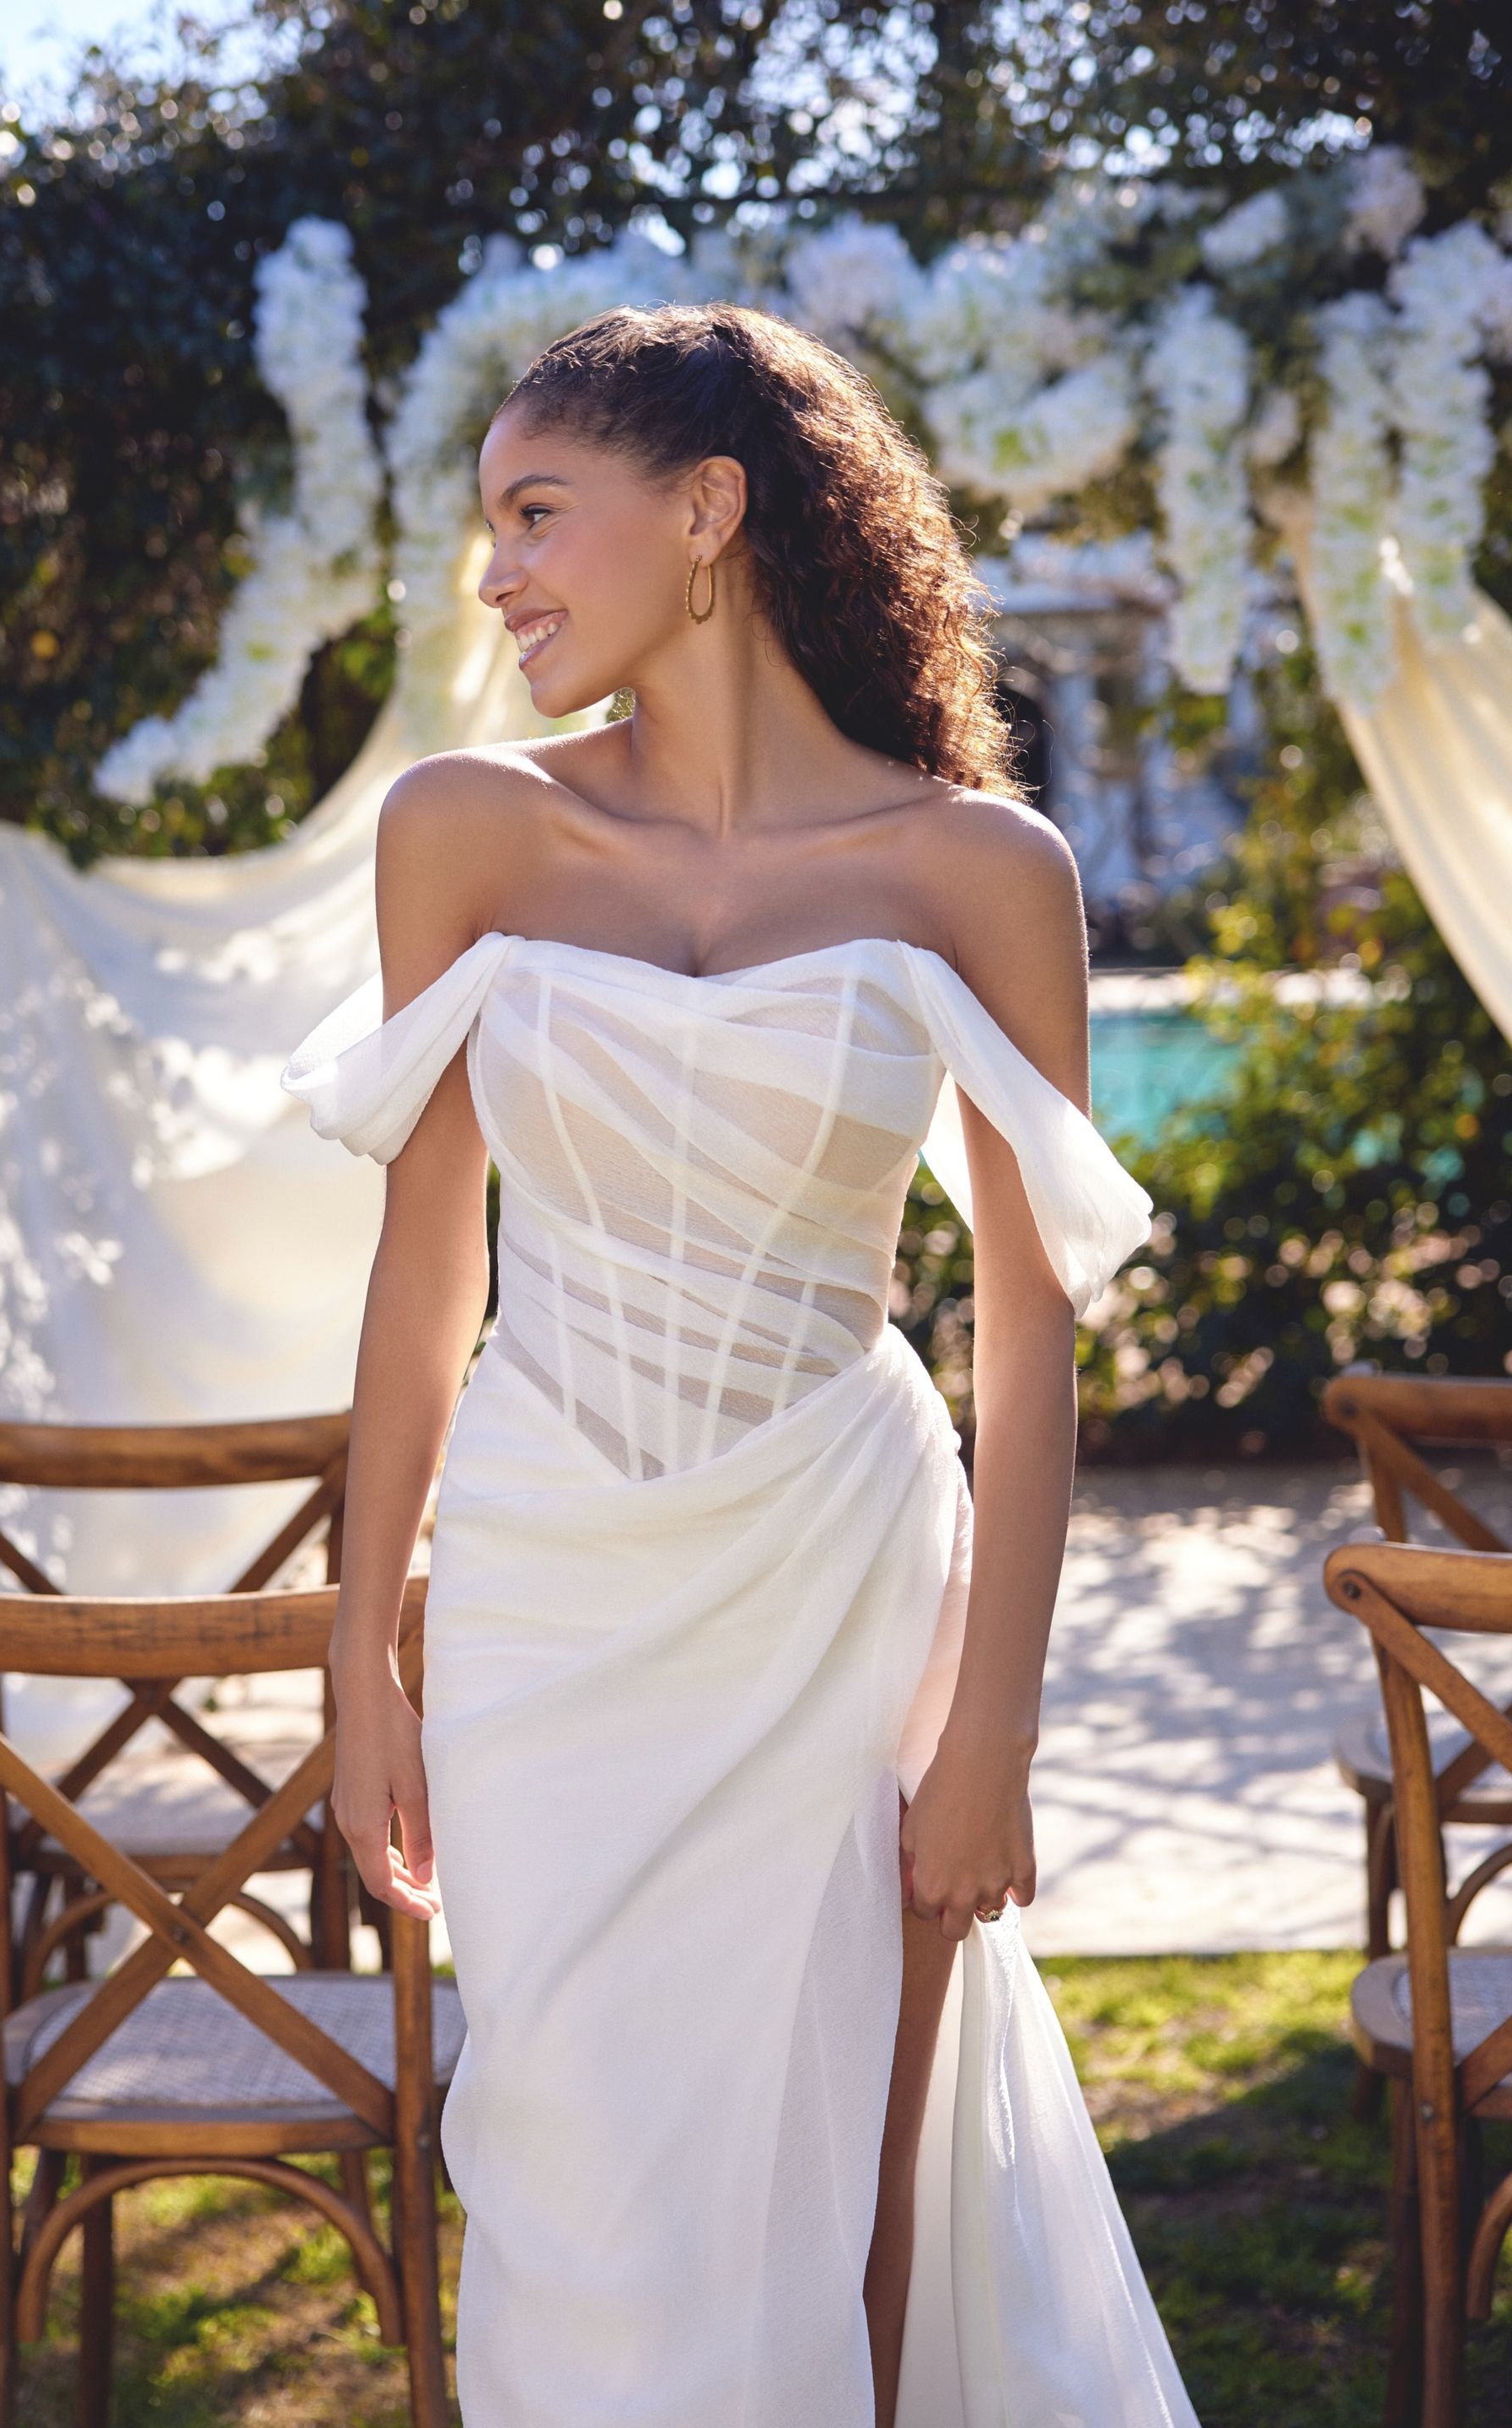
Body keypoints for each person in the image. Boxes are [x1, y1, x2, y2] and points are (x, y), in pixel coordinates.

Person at [284, 301, 1195, 2428]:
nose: (496, 572)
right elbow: (424, 1276)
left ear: (706, 513)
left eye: (536, 513)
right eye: (489, 525)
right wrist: (360, 1649)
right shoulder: (465, 833)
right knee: (571, 2162)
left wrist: (997, 1732)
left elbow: (1034, 1343)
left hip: (837, 1566)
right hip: (544, 1585)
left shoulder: (976, 871)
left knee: (841, 2200)